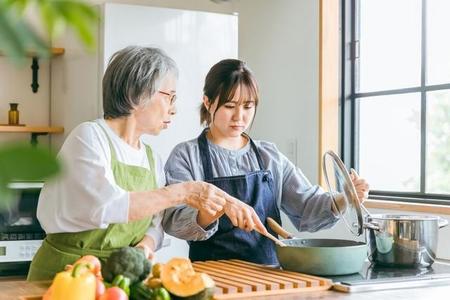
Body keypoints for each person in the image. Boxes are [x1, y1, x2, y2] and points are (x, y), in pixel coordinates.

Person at [27, 48, 266, 281]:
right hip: (66, 275)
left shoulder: (152, 158)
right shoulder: (89, 136)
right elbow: (106, 206)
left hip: (121, 279)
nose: (174, 108)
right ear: (136, 94)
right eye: (169, 97)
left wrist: (144, 246)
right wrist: (186, 191)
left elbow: (156, 224)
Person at [162, 59, 370, 265]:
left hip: (268, 276)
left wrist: (347, 198)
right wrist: (216, 209)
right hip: (212, 280)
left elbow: (307, 207)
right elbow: (174, 221)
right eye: (229, 106)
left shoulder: (268, 155)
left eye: (247, 106)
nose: (239, 116)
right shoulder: (186, 156)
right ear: (208, 102)